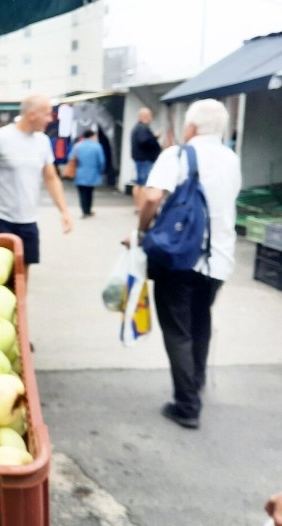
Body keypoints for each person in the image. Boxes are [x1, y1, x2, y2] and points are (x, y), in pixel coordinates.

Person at [136, 99, 241, 429]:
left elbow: (152, 197)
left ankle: (186, 405)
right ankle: (194, 384)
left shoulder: (178, 154)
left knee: (178, 330)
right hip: (219, 260)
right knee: (200, 324)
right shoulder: (231, 159)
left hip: (180, 259)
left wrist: (142, 229)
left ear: (192, 127)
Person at [0, 93, 73, 279]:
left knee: (22, 273)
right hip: (1, 219)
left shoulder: (43, 142)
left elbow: (51, 178)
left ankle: (21, 308)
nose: (51, 119)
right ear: (32, 114)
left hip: (28, 220)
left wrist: (64, 212)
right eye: (47, 114)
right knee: (0, 274)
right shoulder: (0, 138)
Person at [131, 107, 162, 212]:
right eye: (150, 115)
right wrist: (155, 137)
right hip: (145, 159)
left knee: (139, 183)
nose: (151, 118)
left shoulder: (138, 127)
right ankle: (142, 206)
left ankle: (139, 206)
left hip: (141, 159)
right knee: (144, 184)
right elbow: (144, 141)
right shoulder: (143, 128)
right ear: (145, 116)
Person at [69, 130, 106, 218]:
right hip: (93, 172)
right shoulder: (97, 146)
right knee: (90, 191)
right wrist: (101, 170)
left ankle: (84, 210)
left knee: (82, 193)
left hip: (79, 172)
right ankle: (88, 210)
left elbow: (70, 157)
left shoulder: (77, 146)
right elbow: (101, 161)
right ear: (92, 136)